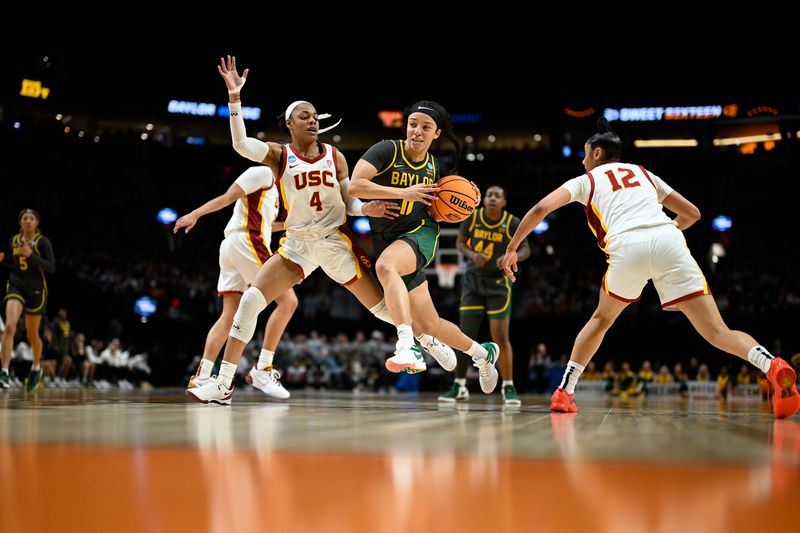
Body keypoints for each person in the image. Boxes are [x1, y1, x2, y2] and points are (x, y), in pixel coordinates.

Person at [188, 56, 454, 404]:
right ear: (289, 123)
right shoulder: (278, 155)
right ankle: (223, 384)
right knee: (250, 302)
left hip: (334, 242)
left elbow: (350, 200)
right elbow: (240, 145)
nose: (312, 121)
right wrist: (234, 97)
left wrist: (366, 208)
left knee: (381, 309)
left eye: (315, 117)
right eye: (304, 116)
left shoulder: (335, 156)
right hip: (296, 244)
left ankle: (423, 339)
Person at [501, 118, 799, 419]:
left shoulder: (586, 181)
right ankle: (770, 364)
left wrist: (512, 248)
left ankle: (565, 392)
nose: (581, 159)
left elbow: (540, 209)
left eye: (584, 153)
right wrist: (667, 230)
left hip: (627, 246)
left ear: (597, 154)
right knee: (718, 331)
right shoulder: (644, 173)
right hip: (669, 240)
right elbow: (692, 214)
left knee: (601, 319)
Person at [348, 100, 500, 395]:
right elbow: (355, 186)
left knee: (385, 267)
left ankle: (408, 346)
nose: (417, 131)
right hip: (387, 239)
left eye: (425, 127)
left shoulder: (435, 167)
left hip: (420, 233)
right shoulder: (386, 151)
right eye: (412, 124)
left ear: (436, 133)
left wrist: (470, 199)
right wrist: (402, 192)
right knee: (430, 324)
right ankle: (483, 355)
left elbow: (449, 202)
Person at [174, 165, 298, 399]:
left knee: (229, 316)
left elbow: (268, 225)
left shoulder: (276, 191)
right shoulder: (262, 172)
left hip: (233, 246)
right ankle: (263, 368)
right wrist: (195, 214)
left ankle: (201, 378)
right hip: (248, 243)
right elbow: (227, 197)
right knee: (288, 302)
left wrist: (291, 224)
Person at [438, 185, 530, 405]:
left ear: (504, 202)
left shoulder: (512, 222)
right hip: (473, 281)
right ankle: (459, 385)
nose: (492, 199)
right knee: (464, 335)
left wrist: (512, 257)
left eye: (498, 196)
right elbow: (460, 242)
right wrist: (471, 254)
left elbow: (526, 249)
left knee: (500, 336)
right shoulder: (472, 217)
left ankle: (508, 386)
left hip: (498, 284)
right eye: (489, 195)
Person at [0, 208, 55, 391]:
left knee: (32, 335)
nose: (29, 221)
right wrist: (3, 259)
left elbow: (51, 267)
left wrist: (32, 255)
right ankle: (4, 371)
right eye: (25, 218)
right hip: (16, 286)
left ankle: (36, 367)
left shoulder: (42, 242)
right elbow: (13, 262)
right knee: (9, 326)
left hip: (36, 291)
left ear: (37, 222)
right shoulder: (14, 240)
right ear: (20, 222)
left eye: (32, 218)